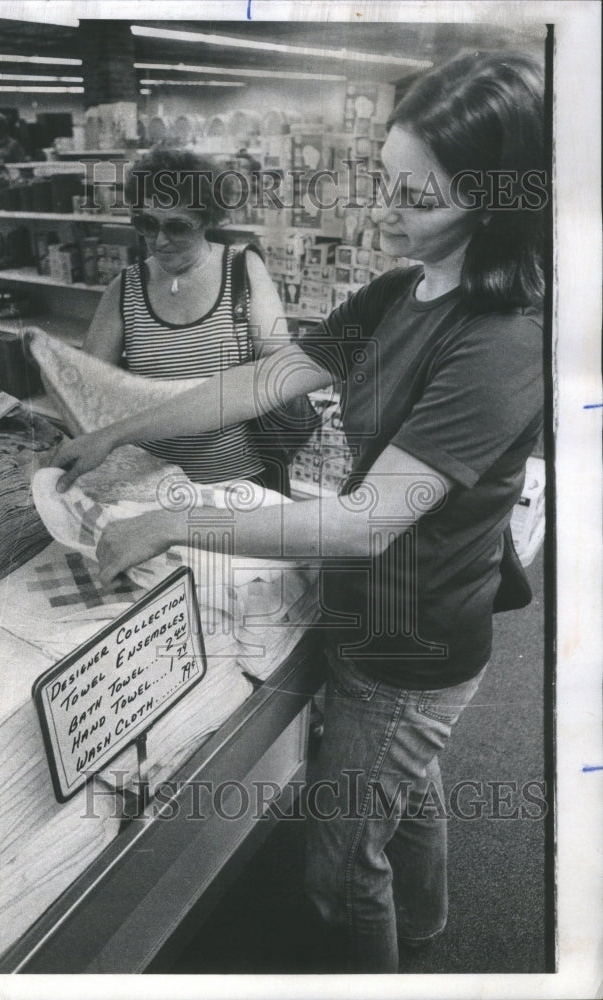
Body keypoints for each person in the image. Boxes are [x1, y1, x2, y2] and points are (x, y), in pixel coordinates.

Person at [54, 51, 546, 972]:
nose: (381, 211)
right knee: (409, 784)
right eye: (384, 182)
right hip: (371, 608)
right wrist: (115, 429)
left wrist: (171, 522)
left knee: (339, 870)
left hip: (412, 637)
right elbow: (264, 379)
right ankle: (433, 930)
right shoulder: (404, 288)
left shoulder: (501, 338)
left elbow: (366, 521)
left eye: (416, 198)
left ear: (490, 201)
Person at [76, 146, 292, 488]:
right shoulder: (126, 287)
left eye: (176, 227)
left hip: (237, 483)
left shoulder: (244, 271)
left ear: (205, 220)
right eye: (146, 224)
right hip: (151, 485)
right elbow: (87, 385)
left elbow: (281, 373)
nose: (159, 241)